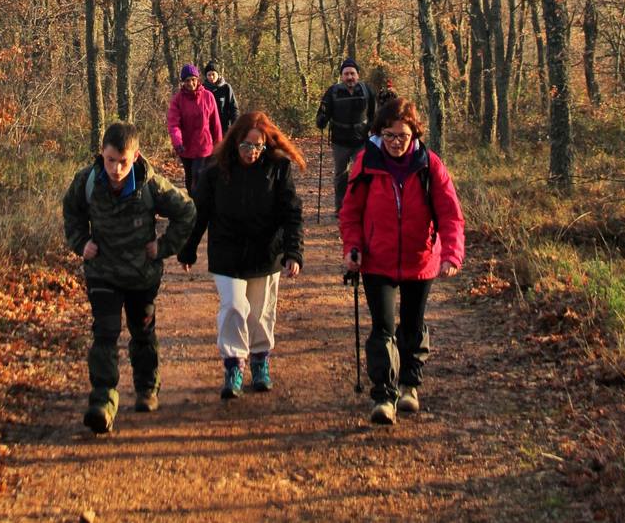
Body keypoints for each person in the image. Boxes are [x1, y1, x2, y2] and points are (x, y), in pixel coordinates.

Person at [62, 120, 196, 434]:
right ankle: (103, 401)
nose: (116, 168)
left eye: (123, 161)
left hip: (141, 276)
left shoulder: (151, 185)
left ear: (134, 157)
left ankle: (147, 389)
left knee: (142, 334)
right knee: (105, 334)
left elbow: (187, 211)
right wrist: (81, 243)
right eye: (110, 160)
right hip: (103, 273)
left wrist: (163, 247)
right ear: (102, 154)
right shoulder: (87, 181)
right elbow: (71, 211)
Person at [339, 95, 465, 425]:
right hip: (376, 259)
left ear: (415, 135)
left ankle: (410, 385)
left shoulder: (430, 164)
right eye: (390, 136)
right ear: (379, 133)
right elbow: (350, 213)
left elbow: (451, 214)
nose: (396, 143)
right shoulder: (366, 163)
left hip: (420, 259)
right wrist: (352, 247)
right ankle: (384, 395)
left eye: (403, 136)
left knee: (411, 325)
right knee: (382, 328)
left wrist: (452, 253)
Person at [177, 111, 305, 399]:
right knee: (234, 307)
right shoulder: (214, 170)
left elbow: (292, 213)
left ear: (266, 145)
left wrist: (293, 251)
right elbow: (199, 214)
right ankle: (233, 364)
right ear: (235, 142)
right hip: (227, 252)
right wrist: (188, 249)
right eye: (246, 146)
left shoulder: (278, 168)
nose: (252, 152)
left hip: (266, 252)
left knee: (260, 312)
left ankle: (260, 360)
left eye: (258, 146)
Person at [315, 58, 376, 213]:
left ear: (358, 75)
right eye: (346, 74)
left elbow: (373, 114)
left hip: (361, 140)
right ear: (341, 76)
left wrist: (372, 130)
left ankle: (361, 206)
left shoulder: (367, 90)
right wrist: (321, 119)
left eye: (352, 73)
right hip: (339, 142)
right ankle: (341, 208)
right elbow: (322, 116)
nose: (350, 77)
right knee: (341, 176)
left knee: (362, 174)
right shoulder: (332, 92)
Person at [166, 63, 223, 195]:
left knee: (199, 176)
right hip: (186, 147)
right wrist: (177, 142)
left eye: (193, 80)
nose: (190, 83)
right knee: (190, 178)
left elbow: (216, 123)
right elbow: (174, 124)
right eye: (187, 80)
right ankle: (192, 204)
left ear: (198, 80)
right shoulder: (177, 100)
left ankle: (200, 205)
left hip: (204, 146)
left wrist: (219, 145)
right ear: (183, 82)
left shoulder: (208, 97)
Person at [204, 62, 238, 132]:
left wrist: (235, 126)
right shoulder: (203, 89)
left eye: (213, 74)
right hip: (207, 129)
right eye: (209, 75)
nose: (211, 77)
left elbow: (233, 108)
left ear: (218, 74)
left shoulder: (226, 88)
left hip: (224, 128)